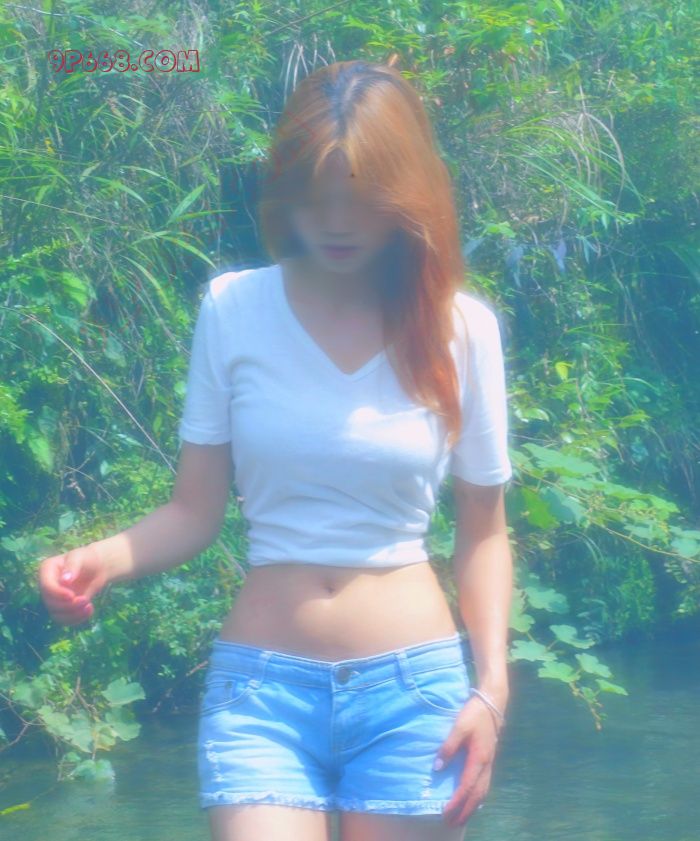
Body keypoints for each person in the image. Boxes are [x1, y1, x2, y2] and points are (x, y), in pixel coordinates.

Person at [38, 59, 514, 841]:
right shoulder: (234, 309)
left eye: (360, 196)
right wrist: (101, 559)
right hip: (263, 695)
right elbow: (193, 511)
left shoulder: (462, 329)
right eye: (316, 197)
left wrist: (490, 689)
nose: (336, 221)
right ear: (285, 191)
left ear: (407, 193)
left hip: (415, 696)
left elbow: (485, 531)